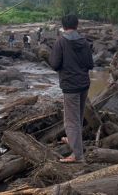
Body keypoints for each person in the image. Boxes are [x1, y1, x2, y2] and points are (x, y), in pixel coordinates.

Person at [49, 14, 94, 163]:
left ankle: (77, 155)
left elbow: (55, 64)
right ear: (77, 25)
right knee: (78, 118)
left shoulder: (60, 42)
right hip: (84, 84)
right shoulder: (84, 42)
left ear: (63, 26)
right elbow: (90, 65)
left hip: (70, 86)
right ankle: (74, 141)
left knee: (71, 121)